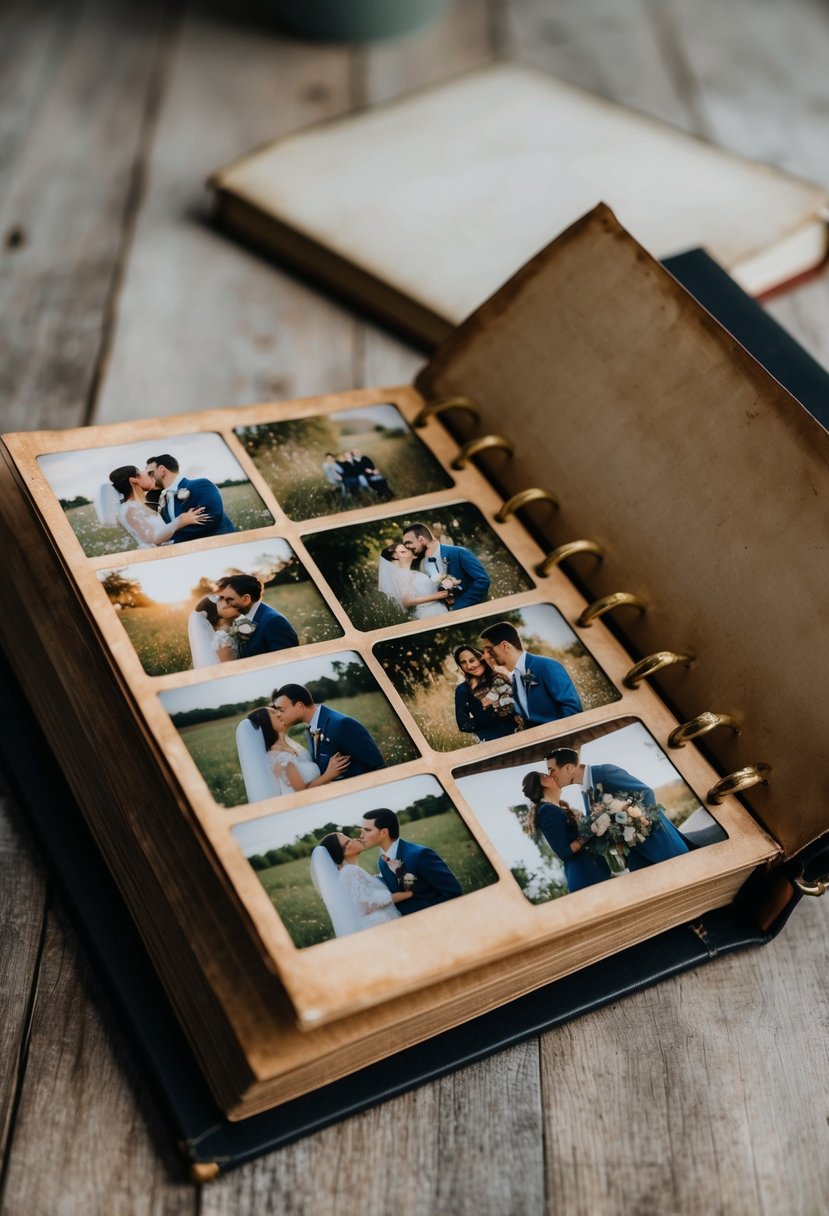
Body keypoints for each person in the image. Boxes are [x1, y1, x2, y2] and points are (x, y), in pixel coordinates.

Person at [545, 748, 690, 868]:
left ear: (569, 768)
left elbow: (646, 793)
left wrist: (637, 823)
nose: (550, 775)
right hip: (639, 860)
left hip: (662, 847)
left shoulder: (605, 773)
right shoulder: (586, 792)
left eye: (551, 770)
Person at [522, 768, 612, 892]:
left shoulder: (557, 808)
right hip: (586, 877)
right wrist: (590, 832)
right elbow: (563, 852)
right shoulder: (546, 811)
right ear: (541, 784)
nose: (552, 776)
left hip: (594, 872)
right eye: (545, 775)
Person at [359, 808, 462, 916]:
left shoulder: (420, 855)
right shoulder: (382, 862)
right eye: (361, 830)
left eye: (367, 830)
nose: (361, 835)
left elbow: (453, 892)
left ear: (384, 832)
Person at [270, 683, 385, 779]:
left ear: (300, 705)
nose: (278, 715)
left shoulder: (342, 724)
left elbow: (378, 766)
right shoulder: (310, 731)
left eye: (281, 710)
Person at [235, 706, 348, 803]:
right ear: (266, 723)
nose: (279, 713)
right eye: (274, 713)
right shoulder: (278, 756)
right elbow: (301, 793)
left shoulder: (291, 745)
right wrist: (329, 774)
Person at [479, 621, 582, 726]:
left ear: (504, 646)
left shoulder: (546, 666)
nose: (486, 656)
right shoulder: (515, 677)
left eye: (489, 650)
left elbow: (573, 711)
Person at [309, 833, 410, 937]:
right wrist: (406, 895)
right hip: (381, 928)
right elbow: (365, 904)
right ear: (346, 849)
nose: (356, 839)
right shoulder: (349, 871)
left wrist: (398, 872)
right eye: (349, 840)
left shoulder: (349, 873)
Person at [94, 465, 209, 548]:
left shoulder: (139, 505)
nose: (147, 474)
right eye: (141, 472)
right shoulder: (130, 509)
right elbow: (151, 539)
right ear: (133, 480)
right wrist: (181, 521)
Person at [145, 453, 236, 543]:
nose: (147, 477)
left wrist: (169, 541)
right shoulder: (164, 500)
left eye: (150, 473)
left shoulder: (200, 484)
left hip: (222, 546)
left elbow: (211, 518)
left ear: (162, 470)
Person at [401, 523, 490, 611]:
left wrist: (456, 607)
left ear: (421, 540)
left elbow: (482, 580)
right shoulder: (423, 565)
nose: (406, 547)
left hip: (477, 612)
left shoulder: (459, 553)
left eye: (408, 543)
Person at [214, 573, 299, 656]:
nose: (224, 604)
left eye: (229, 599)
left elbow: (289, 660)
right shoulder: (242, 616)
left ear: (246, 599)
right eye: (221, 598)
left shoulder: (273, 621)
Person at [453, 644, 519, 742]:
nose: (469, 666)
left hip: (519, 733)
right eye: (463, 662)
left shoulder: (502, 677)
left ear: (482, 658)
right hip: (492, 741)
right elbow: (464, 725)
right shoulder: (463, 690)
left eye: (472, 660)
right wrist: (495, 717)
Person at [378, 541, 451, 619]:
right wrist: (437, 596)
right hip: (428, 614)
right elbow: (406, 602)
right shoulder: (403, 573)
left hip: (435, 610)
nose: (410, 549)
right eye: (404, 549)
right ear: (396, 555)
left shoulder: (410, 572)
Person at [187, 595, 241, 668]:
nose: (230, 605)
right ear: (217, 616)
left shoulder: (222, 635)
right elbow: (229, 668)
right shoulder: (222, 638)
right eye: (226, 605)